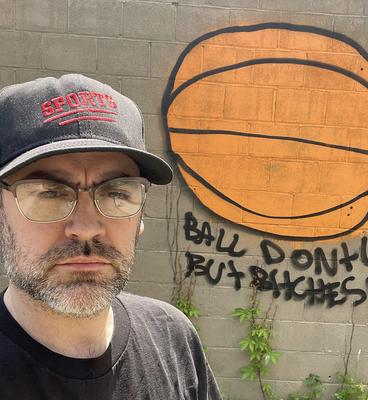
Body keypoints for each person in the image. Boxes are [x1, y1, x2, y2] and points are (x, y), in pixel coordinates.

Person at [0, 74, 222, 399]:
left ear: (140, 217)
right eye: (49, 193)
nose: (87, 227)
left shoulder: (173, 340)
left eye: (117, 193)